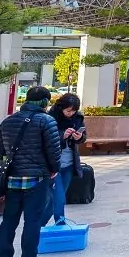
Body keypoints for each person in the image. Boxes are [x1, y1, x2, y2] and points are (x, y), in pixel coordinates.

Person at [0, 86, 61, 257]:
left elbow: (1, 151)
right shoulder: (46, 121)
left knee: (8, 220)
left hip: (12, 178)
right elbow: (53, 151)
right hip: (36, 178)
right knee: (33, 219)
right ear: (45, 101)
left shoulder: (8, 121)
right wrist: (54, 169)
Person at [45, 93, 85, 226]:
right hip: (54, 164)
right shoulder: (50, 118)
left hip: (69, 163)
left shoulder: (78, 117)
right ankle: (60, 224)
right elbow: (46, 140)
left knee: (55, 199)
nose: (71, 114)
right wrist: (62, 135)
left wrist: (79, 137)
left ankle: (39, 225)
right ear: (61, 107)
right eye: (68, 111)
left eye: (73, 111)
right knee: (60, 197)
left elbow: (84, 137)